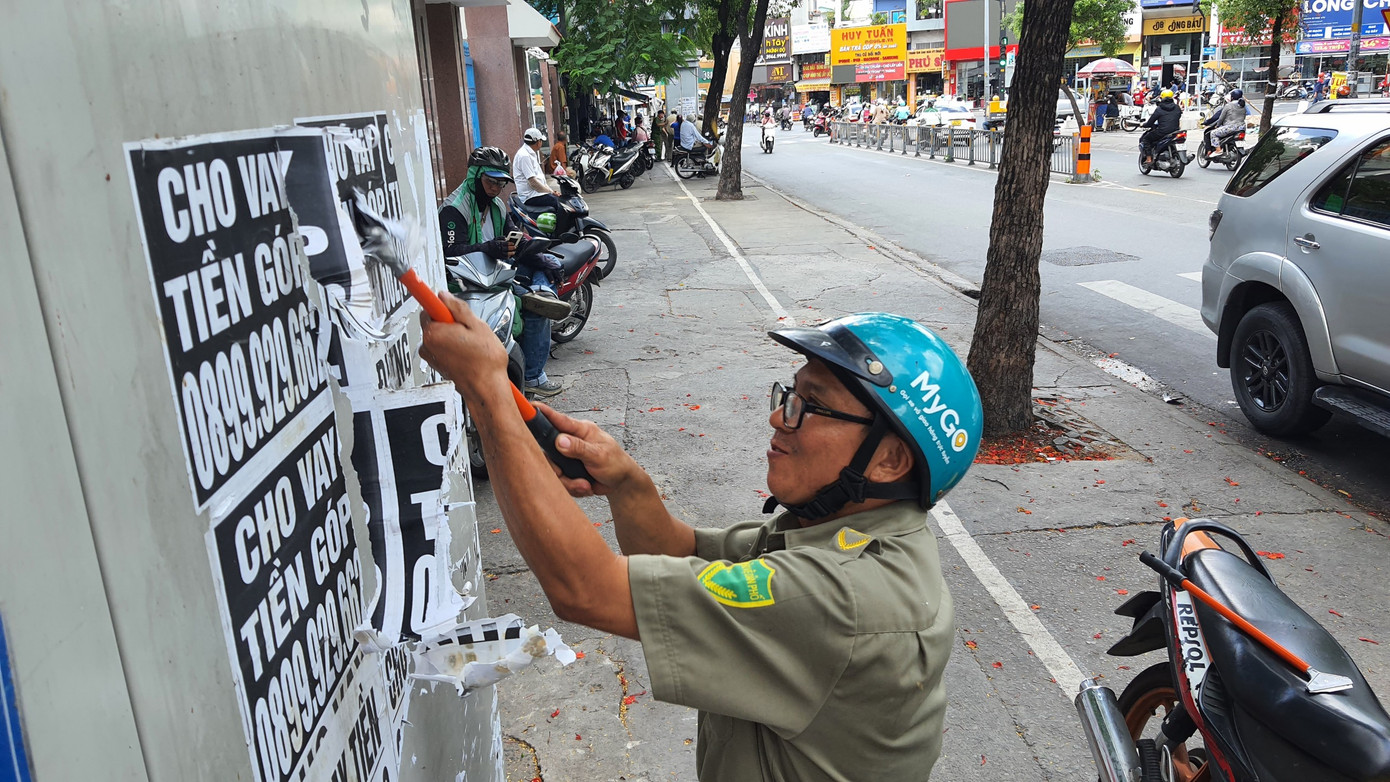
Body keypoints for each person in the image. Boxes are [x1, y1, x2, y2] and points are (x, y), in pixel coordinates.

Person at [417, 309, 982, 780]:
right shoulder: (844, 535)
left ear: (889, 460)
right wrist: (625, 481)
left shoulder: (844, 596)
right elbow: (677, 552)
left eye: (809, 405)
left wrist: (488, 394)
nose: (778, 417)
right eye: (789, 394)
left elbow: (585, 590)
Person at [437, 146, 566, 396]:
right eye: (490, 182)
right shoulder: (455, 208)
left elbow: (513, 237)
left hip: (496, 278)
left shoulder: (497, 205)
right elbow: (449, 251)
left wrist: (538, 254)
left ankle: (533, 377)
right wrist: (487, 247)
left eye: (500, 184)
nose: (495, 189)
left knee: (538, 306)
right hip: (463, 286)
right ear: (475, 176)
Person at [514, 127, 560, 212]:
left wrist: (551, 191)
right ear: (538, 142)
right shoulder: (524, 156)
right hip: (530, 196)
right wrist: (550, 192)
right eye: (541, 141)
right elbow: (533, 183)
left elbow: (539, 180)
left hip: (536, 193)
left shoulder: (530, 153)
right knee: (556, 202)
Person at [1139, 89, 1181, 164]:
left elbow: (1150, 122)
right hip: (1175, 131)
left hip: (1162, 132)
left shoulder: (1159, 109)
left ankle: (1148, 159)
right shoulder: (1177, 107)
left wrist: (1143, 124)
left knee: (1146, 139)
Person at [1204, 89, 1246, 156]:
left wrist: (1217, 125)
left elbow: (1221, 118)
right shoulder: (1243, 106)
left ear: (1232, 97)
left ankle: (1218, 150)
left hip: (1231, 128)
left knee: (1213, 133)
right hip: (1242, 127)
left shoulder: (1228, 105)